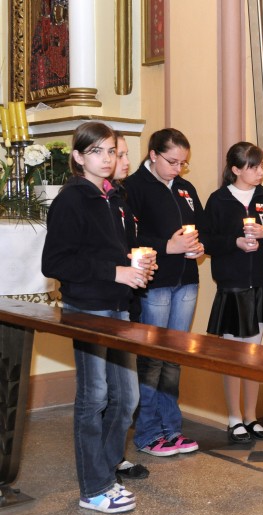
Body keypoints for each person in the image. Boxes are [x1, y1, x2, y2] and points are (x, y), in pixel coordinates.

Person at [42, 121, 156, 514]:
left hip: (117, 306)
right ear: (77, 157)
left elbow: (106, 249)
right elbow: (54, 261)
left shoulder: (112, 196)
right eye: (96, 152)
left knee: (126, 396)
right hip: (88, 307)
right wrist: (115, 272)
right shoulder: (72, 199)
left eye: (111, 151)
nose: (106, 159)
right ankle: (93, 488)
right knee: (94, 398)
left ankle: (105, 472)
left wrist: (133, 263)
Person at [124, 128, 204, 456]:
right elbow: (129, 237)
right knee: (153, 359)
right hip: (154, 283)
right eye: (172, 161)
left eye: (183, 164)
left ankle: (172, 429)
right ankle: (147, 433)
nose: (178, 169)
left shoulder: (185, 188)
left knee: (174, 358)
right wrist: (167, 246)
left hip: (186, 279)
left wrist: (199, 246)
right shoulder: (133, 188)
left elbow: (203, 228)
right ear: (153, 154)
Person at [203, 142, 263, 443]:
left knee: (254, 355)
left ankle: (251, 416)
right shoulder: (219, 200)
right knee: (233, 355)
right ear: (236, 169)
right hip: (232, 287)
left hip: (259, 285)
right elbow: (208, 240)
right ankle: (234, 417)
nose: (260, 171)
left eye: (261, 165)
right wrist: (234, 242)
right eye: (253, 166)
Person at [110, 131, 150, 482]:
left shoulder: (121, 197)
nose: (124, 161)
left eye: (123, 154)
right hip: (99, 305)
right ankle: (104, 460)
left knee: (126, 391)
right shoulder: (90, 199)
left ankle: (115, 455)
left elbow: (128, 243)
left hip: (126, 303)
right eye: (119, 154)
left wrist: (142, 259)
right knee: (105, 393)